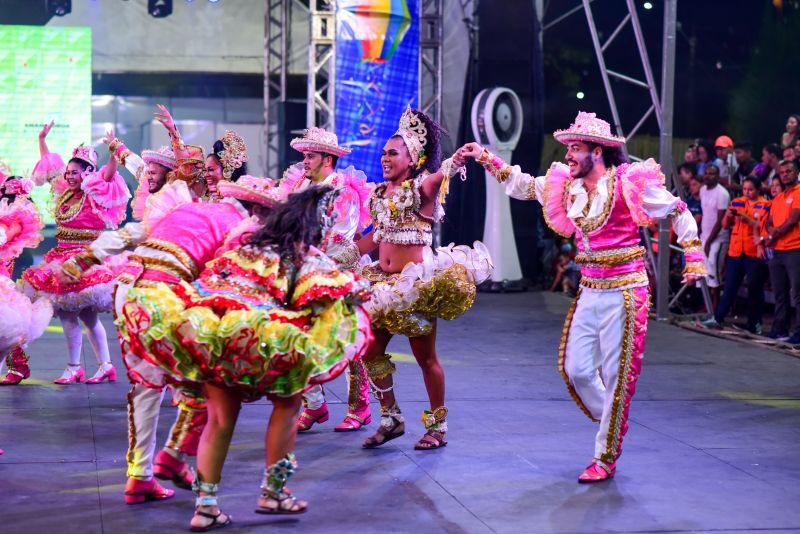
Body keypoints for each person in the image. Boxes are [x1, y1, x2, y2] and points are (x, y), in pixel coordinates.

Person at [459, 111, 704, 482]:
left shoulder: (626, 183)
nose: (568, 155)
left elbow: (678, 209)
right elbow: (523, 184)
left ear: (598, 151)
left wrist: (694, 257)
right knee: (576, 371)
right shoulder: (567, 186)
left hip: (626, 289)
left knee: (617, 375)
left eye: (575, 148)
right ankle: (614, 416)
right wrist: (484, 156)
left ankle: (605, 454)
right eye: (568, 148)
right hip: (589, 288)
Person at [117, 185, 372, 530]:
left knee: (220, 418)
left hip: (212, 330)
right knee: (288, 403)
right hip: (258, 335)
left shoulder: (244, 243)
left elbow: (211, 279)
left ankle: (205, 508)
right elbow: (326, 290)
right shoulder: (302, 253)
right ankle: (274, 492)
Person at [356, 107, 492, 451]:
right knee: (369, 352)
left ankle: (438, 427)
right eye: (384, 152)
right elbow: (374, 238)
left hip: (414, 289)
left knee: (425, 359)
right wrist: (337, 254)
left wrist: (457, 159)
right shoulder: (378, 194)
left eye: (393, 153)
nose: (385, 158)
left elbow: (440, 175)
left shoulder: (422, 188)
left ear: (412, 157)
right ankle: (391, 418)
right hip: (381, 288)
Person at [279, 127, 374, 432]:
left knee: (346, 339)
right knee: (294, 335)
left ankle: (360, 408)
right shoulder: (301, 187)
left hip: (337, 271)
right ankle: (316, 405)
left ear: (328, 159)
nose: (304, 162)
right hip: (306, 271)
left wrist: (316, 265)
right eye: (304, 156)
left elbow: (342, 240)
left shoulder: (342, 191)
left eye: (310, 156)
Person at [22, 122, 130, 385]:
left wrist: (114, 151)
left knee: (75, 316)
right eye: (68, 172)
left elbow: (108, 176)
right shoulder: (64, 192)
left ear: (88, 173)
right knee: (80, 317)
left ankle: (78, 367)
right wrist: (41, 138)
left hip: (84, 260)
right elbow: (48, 167)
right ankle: (100, 365)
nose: (69, 176)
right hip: (61, 258)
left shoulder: (94, 192)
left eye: (75, 173)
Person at [0, 174, 52, 386]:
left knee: (10, 325)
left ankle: (18, 366)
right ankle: (18, 366)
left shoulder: (15, 220)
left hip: (4, 277)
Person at [702, 176, 769, 334]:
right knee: (730, 285)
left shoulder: (766, 205)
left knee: (755, 288)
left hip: (754, 251)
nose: (747, 192)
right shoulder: (737, 201)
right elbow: (725, 225)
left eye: (750, 189)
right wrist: (728, 216)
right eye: (744, 189)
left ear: (758, 189)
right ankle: (718, 318)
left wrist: (747, 219)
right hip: (736, 250)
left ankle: (754, 323)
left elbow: (763, 227)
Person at [763, 160, 800, 345]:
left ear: (797, 173)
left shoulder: (799, 192)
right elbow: (769, 221)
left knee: (798, 293)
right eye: (782, 172)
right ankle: (781, 329)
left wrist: (773, 234)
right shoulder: (778, 198)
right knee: (780, 293)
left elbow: (793, 220)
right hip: (777, 250)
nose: (785, 174)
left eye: (789, 171)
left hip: (794, 249)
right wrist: (771, 232)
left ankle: (799, 332)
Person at [699, 164, 730, 309]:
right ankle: (705, 305)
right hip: (704, 236)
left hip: (717, 239)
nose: (707, 176)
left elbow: (720, 221)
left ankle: (715, 308)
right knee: (703, 272)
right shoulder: (702, 190)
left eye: (711, 173)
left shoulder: (722, 194)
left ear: (717, 176)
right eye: (706, 173)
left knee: (714, 273)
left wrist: (709, 242)